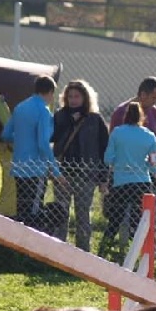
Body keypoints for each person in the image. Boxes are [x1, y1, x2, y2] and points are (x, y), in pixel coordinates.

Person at [109, 77, 156, 257]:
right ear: (142, 94)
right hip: (123, 175)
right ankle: (123, 249)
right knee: (121, 215)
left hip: (147, 173)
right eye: (153, 97)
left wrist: (151, 164)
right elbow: (114, 144)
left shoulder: (155, 113)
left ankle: (150, 245)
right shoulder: (121, 112)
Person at [52, 79, 109, 251]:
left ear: (85, 98)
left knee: (83, 214)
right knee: (60, 212)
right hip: (63, 173)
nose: (73, 100)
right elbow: (53, 139)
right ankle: (58, 249)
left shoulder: (95, 120)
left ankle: (83, 251)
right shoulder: (60, 116)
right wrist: (71, 122)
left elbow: (103, 150)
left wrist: (103, 178)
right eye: (70, 96)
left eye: (77, 96)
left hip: (87, 174)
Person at [97, 102, 156, 261]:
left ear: (126, 116)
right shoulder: (150, 136)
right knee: (142, 221)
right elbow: (153, 165)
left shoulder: (117, 133)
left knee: (115, 219)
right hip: (142, 182)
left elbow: (107, 158)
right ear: (142, 117)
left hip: (121, 182)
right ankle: (147, 254)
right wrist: (142, 165)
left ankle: (103, 251)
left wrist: (121, 163)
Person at [1, 75, 66, 223]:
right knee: (34, 214)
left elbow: (5, 134)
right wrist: (56, 171)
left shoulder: (20, 107)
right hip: (36, 169)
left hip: (18, 167)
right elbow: (43, 143)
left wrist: (22, 139)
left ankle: (17, 242)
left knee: (22, 209)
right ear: (50, 92)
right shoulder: (43, 111)